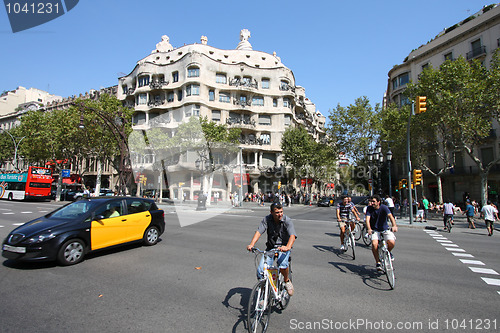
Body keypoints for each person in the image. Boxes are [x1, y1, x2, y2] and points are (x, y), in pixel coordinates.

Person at [247, 202, 297, 296]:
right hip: (271, 247)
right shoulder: (267, 219)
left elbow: (292, 236)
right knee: (261, 272)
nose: (280, 214)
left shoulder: (287, 220)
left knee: (282, 264)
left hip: (283, 247)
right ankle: (263, 296)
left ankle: (286, 281)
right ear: (271, 212)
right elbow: (259, 232)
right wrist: (251, 244)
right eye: (277, 212)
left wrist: (287, 247)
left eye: (281, 212)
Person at [365, 194, 398, 272]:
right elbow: (367, 219)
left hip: (384, 229)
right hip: (375, 230)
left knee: (391, 242)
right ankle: (378, 262)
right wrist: (369, 229)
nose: (372, 203)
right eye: (371, 201)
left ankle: (388, 253)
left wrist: (394, 225)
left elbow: (390, 216)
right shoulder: (369, 209)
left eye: (373, 201)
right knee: (374, 244)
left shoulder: (384, 208)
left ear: (378, 202)